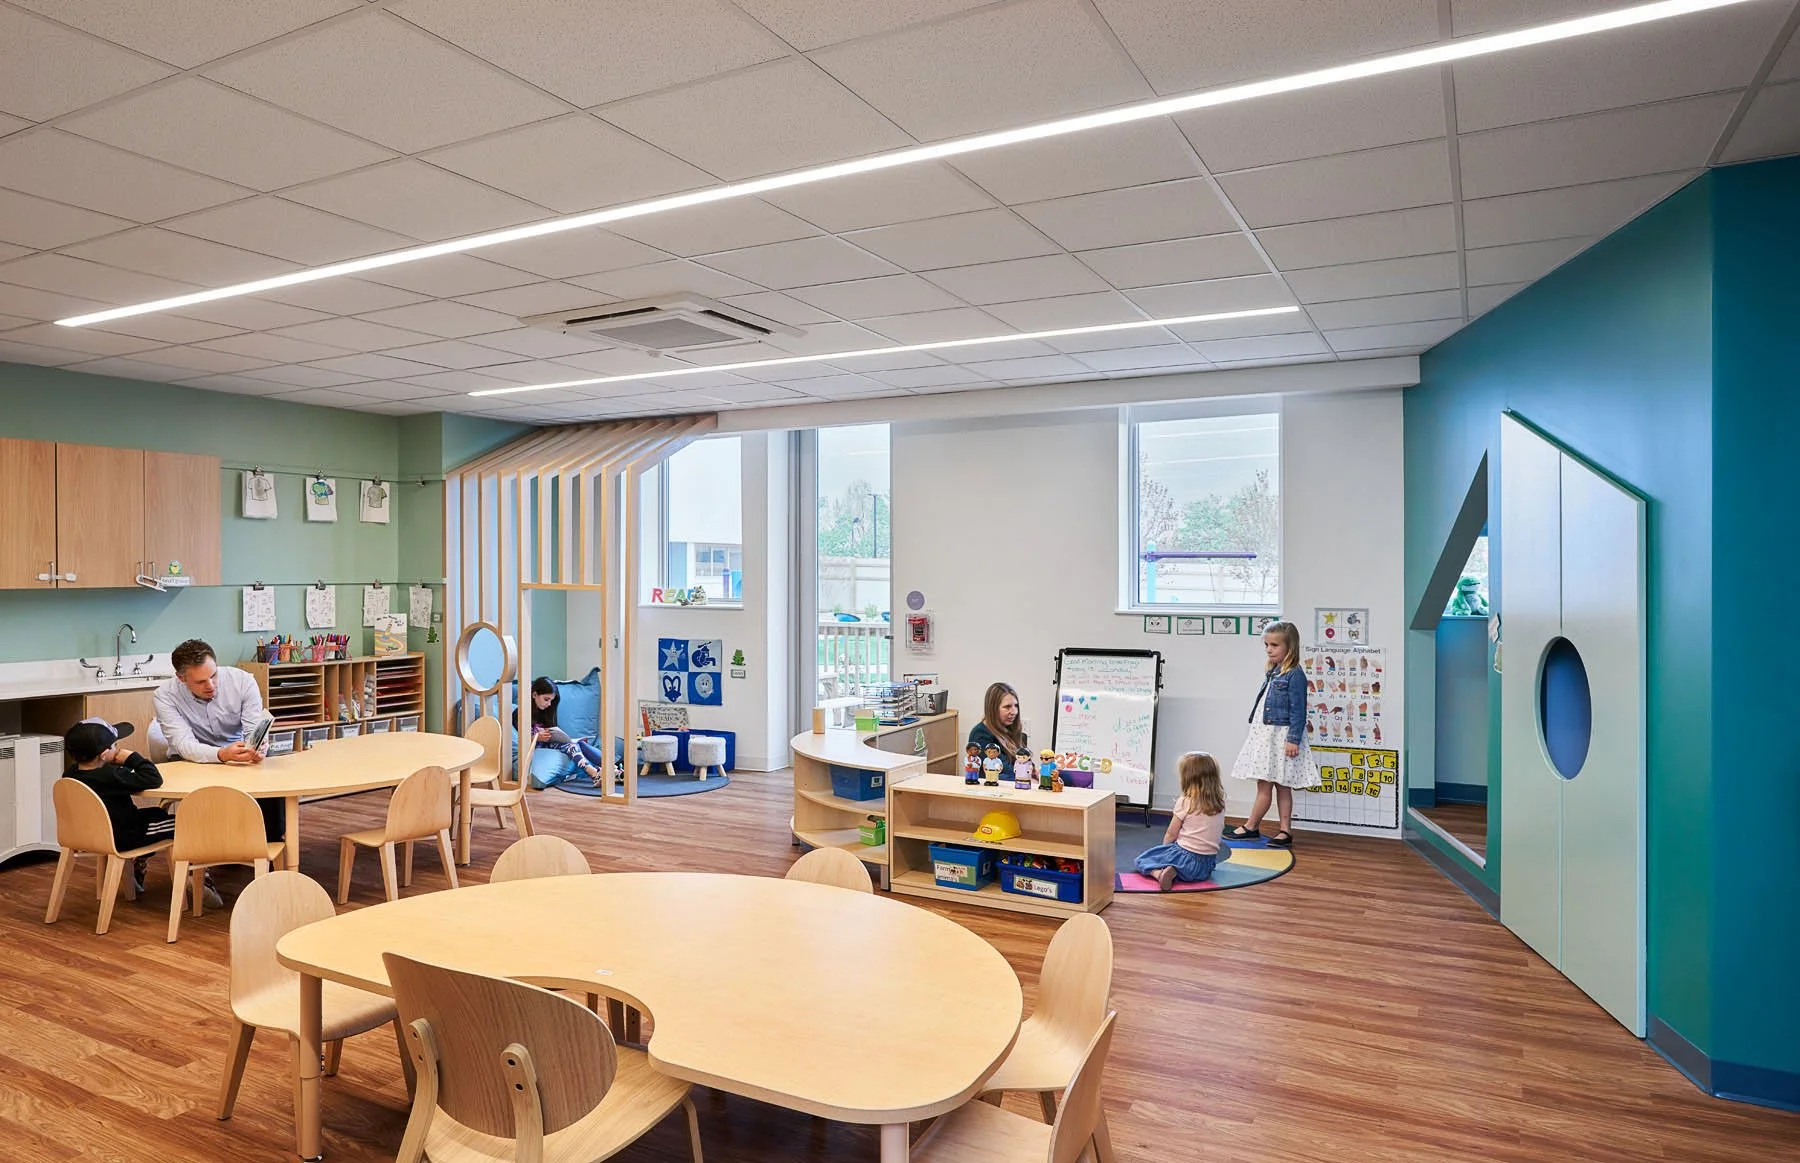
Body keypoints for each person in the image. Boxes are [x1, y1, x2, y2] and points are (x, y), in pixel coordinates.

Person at [62, 718, 219, 904]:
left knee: (158, 814)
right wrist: (131, 758)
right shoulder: (113, 776)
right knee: (185, 825)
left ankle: (137, 867)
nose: (117, 749)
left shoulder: (71, 774)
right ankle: (197, 879)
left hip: (91, 834)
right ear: (104, 754)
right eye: (114, 746)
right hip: (126, 836)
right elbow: (153, 778)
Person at [152, 638, 283, 843]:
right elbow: (184, 744)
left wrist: (258, 747)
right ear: (181, 678)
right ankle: (211, 845)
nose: (210, 685)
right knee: (198, 780)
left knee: (270, 775)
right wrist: (221, 754)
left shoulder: (243, 681)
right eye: (200, 682)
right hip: (192, 758)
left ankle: (270, 844)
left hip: (238, 749)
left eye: (213, 675)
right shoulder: (165, 696)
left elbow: (253, 729)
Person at [1227, 620, 1317, 848]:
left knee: (1279, 785)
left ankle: (1258, 827)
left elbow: (1298, 710)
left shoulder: (1294, 675)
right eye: (1266, 645)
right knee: (1268, 784)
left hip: (1280, 738)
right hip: (1267, 737)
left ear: (1290, 647)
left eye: (1275, 645)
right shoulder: (1274, 672)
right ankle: (1270, 829)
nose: (1269, 649)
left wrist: (1293, 739)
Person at [1133, 751, 1230, 891]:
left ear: (1187, 778)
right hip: (1207, 865)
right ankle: (1177, 872)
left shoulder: (1185, 802)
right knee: (1188, 867)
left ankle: (1160, 874)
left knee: (1142, 860)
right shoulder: (1221, 802)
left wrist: (1164, 852)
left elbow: (1171, 833)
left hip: (1186, 857)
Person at [529, 676, 605, 784]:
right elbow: (518, 741)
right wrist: (536, 737)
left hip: (549, 744)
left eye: (551, 700)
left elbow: (551, 730)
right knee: (572, 745)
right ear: (534, 695)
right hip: (537, 747)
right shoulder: (520, 714)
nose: (549, 704)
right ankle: (595, 772)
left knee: (578, 743)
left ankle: (610, 769)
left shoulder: (545, 712)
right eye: (546, 699)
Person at [967, 682, 1028, 760]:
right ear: (993, 709)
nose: (1014, 712)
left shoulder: (1011, 728)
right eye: (1007, 707)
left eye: (1016, 706)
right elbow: (999, 766)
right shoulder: (980, 735)